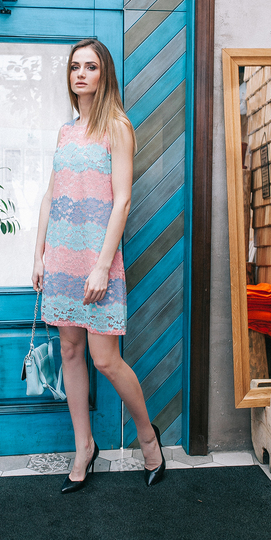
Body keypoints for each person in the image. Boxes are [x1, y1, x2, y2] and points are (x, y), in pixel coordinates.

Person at [31, 39, 165, 494]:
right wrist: (38, 255)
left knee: (105, 359)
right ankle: (83, 446)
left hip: (97, 262)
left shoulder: (117, 127)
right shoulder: (65, 132)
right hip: (61, 260)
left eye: (90, 67)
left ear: (104, 73)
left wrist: (102, 267)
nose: (81, 74)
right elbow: (50, 196)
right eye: (75, 67)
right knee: (70, 353)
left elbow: (122, 200)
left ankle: (147, 437)